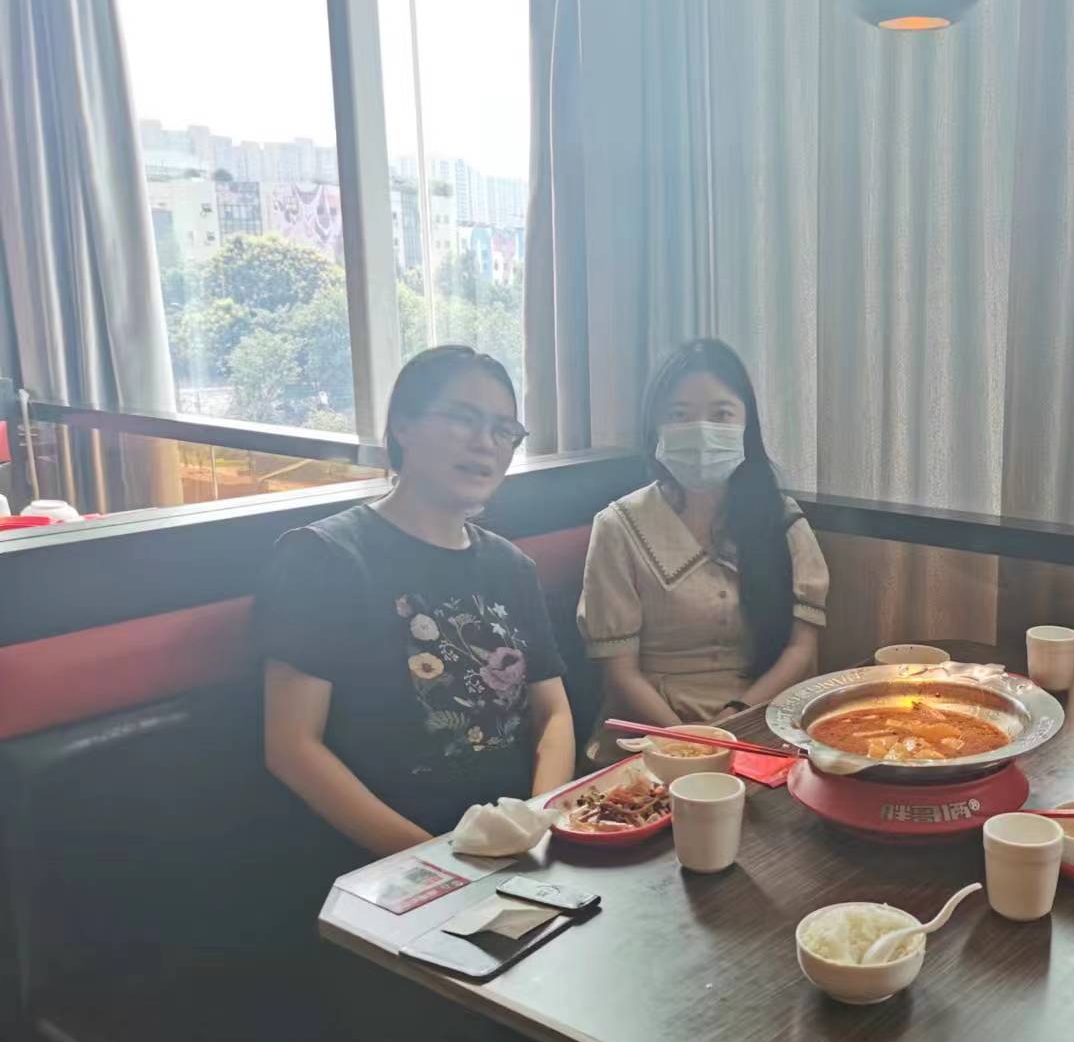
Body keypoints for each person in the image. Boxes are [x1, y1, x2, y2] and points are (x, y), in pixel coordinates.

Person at [257, 345, 576, 860]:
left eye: (503, 430)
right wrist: (441, 864)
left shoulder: (511, 567)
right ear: (403, 425)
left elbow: (553, 712)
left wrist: (535, 825)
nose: (485, 443)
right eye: (463, 418)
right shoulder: (323, 557)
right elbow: (293, 748)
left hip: (523, 851)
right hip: (392, 864)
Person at [578, 338, 828, 752]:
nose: (701, 431)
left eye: (721, 414)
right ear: (655, 426)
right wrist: (689, 741)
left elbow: (801, 649)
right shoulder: (617, 526)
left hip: (760, 720)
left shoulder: (780, 518)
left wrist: (736, 719)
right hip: (652, 732)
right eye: (680, 415)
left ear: (747, 425)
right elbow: (620, 675)